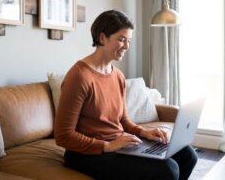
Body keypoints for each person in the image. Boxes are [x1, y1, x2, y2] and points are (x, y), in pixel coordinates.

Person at [54, 10, 197, 180]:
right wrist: (107, 146)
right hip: (85, 154)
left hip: (118, 144)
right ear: (102, 38)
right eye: (121, 40)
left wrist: (144, 133)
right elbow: (63, 136)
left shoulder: (118, 76)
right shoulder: (79, 76)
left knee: (187, 155)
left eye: (129, 41)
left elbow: (123, 120)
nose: (126, 47)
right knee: (168, 169)